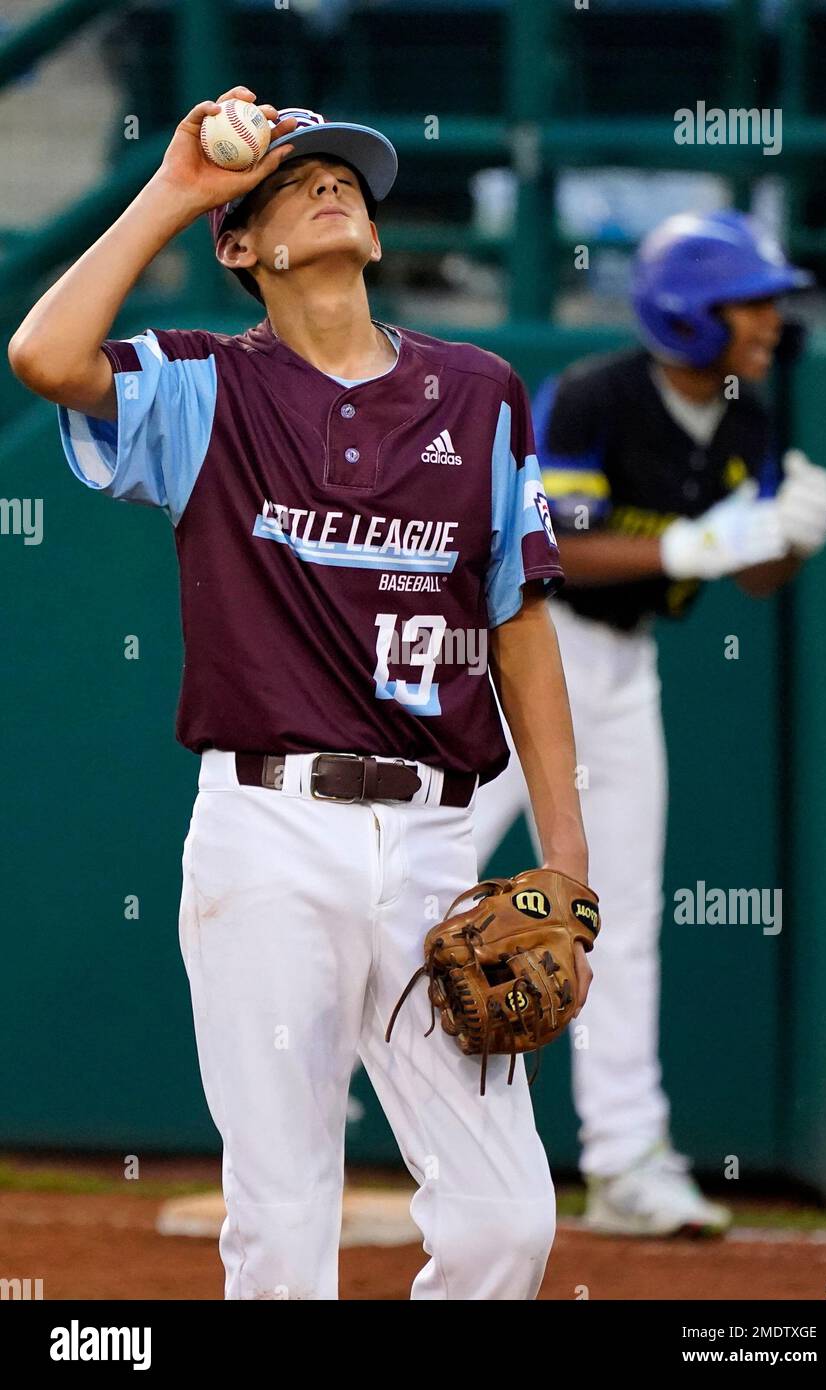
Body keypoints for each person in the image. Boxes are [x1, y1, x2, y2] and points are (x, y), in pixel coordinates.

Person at [8, 93, 593, 1300]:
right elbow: (42, 357)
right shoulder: (203, 387)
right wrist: (176, 189)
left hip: (437, 838)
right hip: (267, 833)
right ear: (241, 243)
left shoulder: (479, 391)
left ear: (377, 237)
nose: (331, 188)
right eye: (293, 181)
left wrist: (568, 864)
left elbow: (519, 624)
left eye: (348, 182)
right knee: (281, 1227)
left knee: (506, 1227)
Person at [471, 210, 826, 1237]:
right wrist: (692, 545)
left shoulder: (745, 417)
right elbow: (554, 546)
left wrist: (789, 536)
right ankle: (348, 1106)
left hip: (625, 673)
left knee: (617, 917)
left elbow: (754, 571)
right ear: (688, 315)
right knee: (421, 872)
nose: (770, 322)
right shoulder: (596, 395)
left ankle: (627, 1156)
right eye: (750, 303)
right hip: (523, 655)